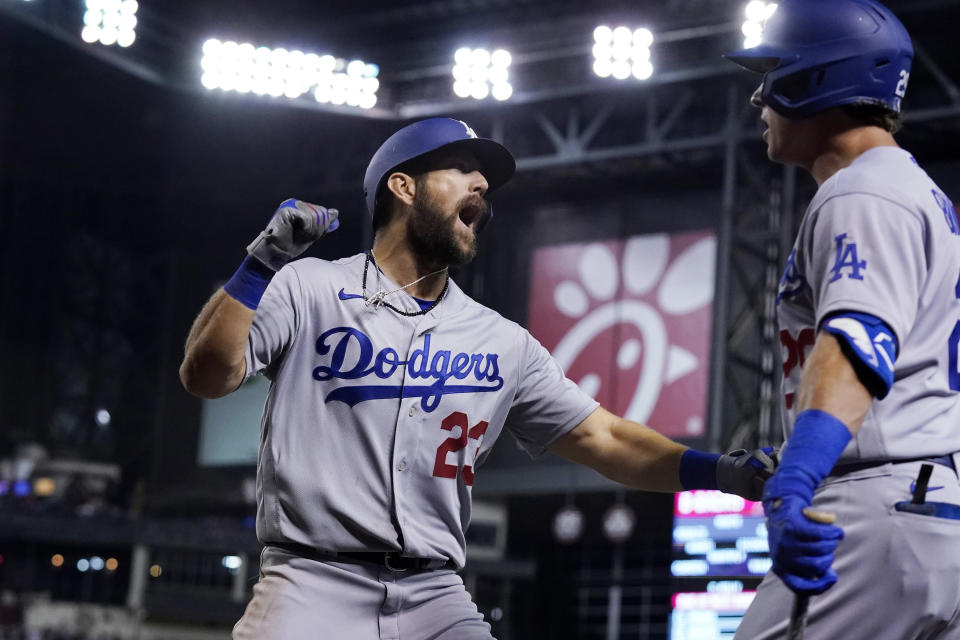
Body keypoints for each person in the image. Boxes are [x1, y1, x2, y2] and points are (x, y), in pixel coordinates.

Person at [179, 116, 775, 639]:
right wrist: (261, 263)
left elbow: (607, 440)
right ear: (403, 186)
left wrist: (716, 471)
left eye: (484, 180)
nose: (482, 186)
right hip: (311, 583)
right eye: (461, 169)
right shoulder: (307, 287)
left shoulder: (502, 341)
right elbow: (207, 376)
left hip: (435, 596)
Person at [724, 1, 960, 638]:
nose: (757, 97)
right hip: (932, 506)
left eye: (774, 72)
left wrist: (798, 476)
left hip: (874, 505)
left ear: (816, 81)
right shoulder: (921, 196)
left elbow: (857, 343)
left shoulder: (862, 192)